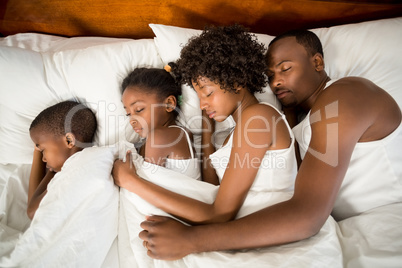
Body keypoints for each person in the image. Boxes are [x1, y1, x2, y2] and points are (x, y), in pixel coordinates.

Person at [137, 29, 402, 260]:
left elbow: (306, 215)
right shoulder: (300, 120)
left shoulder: (346, 96)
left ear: (317, 62)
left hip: (384, 222)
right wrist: (208, 127)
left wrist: (192, 240)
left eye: (285, 69)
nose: (275, 82)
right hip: (345, 226)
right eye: (270, 74)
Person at [112, 25, 297, 227]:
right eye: (199, 97)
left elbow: (219, 214)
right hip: (244, 228)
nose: (202, 104)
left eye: (208, 93)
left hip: (268, 227)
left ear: (236, 82)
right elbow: (211, 190)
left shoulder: (259, 118)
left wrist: (131, 181)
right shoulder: (234, 135)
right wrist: (207, 125)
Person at [116, 67, 200, 179]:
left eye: (139, 109)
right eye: (128, 114)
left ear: (169, 104)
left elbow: (147, 189)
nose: (132, 120)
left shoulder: (162, 137)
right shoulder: (144, 144)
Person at [27, 100, 97, 219]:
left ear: (69, 140)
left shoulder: (74, 170)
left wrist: (51, 170)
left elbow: (33, 212)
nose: (43, 159)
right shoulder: (72, 168)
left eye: (42, 150)